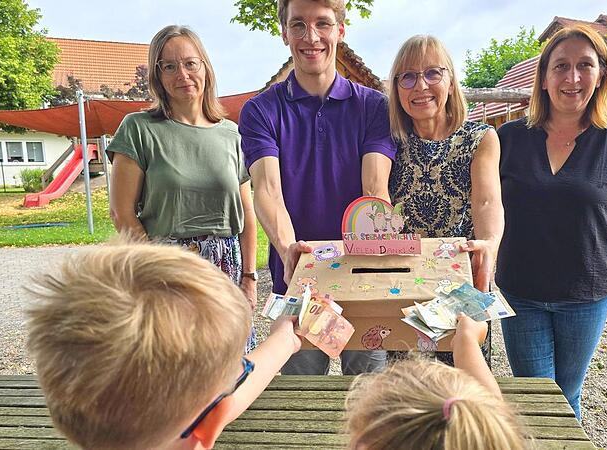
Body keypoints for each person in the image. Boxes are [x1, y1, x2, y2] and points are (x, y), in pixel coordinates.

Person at [496, 25, 607, 420]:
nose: (572, 78)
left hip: (586, 297)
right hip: (521, 292)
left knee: (567, 393)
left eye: (584, 66)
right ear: (544, 78)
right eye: (561, 66)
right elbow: (487, 209)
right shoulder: (508, 139)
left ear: (600, 75)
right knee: (535, 396)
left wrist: (597, 263)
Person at [239, 0, 396, 375]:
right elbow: (267, 191)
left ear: (341, 31)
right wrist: (291, 250)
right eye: (298, 25)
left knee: (369, 398)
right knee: (299, 402)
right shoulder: (260, 111)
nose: (311, 37)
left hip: (362, 280)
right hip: (298, 282)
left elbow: (374, 188)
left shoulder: (374, 107)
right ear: (284, 33)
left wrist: (378, 248)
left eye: (323, 24)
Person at [24, 239, 301, 450]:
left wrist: (283, 341)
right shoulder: (200, 419)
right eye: (239, 370)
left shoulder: (112, 420)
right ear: (210, 423)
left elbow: (223, 401)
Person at [108, 25, 258, 353]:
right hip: (167, 268)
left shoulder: (230, 134)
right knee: (177, 370)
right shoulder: (138, 129)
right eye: (170, 66)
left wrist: (249, 276)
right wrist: (161, 271)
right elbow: (121, 213)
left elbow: (246, 213)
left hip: (226, 269)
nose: (183, 74)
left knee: (230, 367)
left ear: (205, 68)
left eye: (191, 63)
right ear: (158, 76)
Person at [387, 35, 504, 365]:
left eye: (433, 73)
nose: (420, 86)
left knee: (459, 387)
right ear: (396, 88)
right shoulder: (388, 141)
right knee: (407, 391)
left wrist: (489, 243)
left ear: (451, 81)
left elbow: (486, 201)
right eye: (407, 77)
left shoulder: (480, 138)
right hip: (403, 285)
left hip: (459, 283)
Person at [344, 314, 527, 450]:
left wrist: (466, 340)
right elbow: (488, 414)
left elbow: (489, 413)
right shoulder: (491, 433)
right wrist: (466, 340)